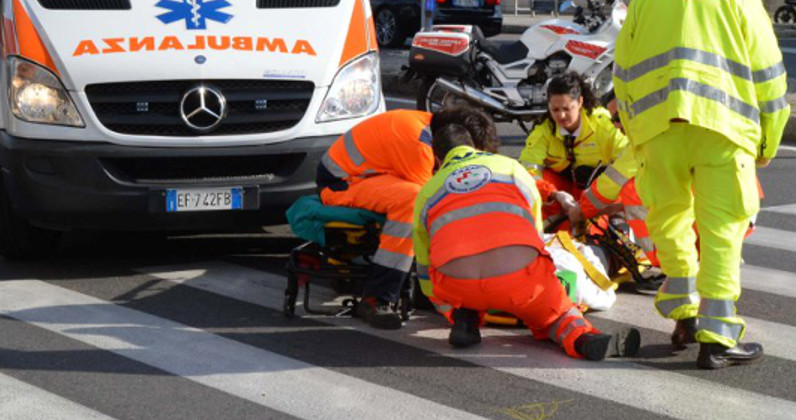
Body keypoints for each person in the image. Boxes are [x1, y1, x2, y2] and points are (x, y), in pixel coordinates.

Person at [613, 0, 789, 369]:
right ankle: (718, 338)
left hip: (658, 129)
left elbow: (623, 73)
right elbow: (769, 77)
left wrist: (636, 134)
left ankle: (685, 317)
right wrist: (768, 141)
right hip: (723, 131)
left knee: (670, 217)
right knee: (722, 229)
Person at [412, 121, 641, 360]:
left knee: (453, 283)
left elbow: (423, 265)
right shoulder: (509, 167)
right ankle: (581, 338)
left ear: (437, 159)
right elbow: (536, 234)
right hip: (519, 281)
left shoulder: (428, 191)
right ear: (475, 146)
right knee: (557, 313)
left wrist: (445, 305)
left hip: (458, 286)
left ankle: (465, 317)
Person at [518, 72, 659, 266]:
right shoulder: (543, 131)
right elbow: (527, 174)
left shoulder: (604, 125)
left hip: (597, 192)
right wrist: (554, 194)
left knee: (623, 195)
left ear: (581, 101)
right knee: (531, 193)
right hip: (564, 195)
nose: (561, 116)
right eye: (555, 109)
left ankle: (612, 242)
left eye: (567, 108)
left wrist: (595, 206)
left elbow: (626, 165)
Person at [317, 109, 434, 329]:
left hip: (360, 174)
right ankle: (377, 296)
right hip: (342, 184)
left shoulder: (424, 125)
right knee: (414, 201)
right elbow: (432, 198)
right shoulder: (419, 144)